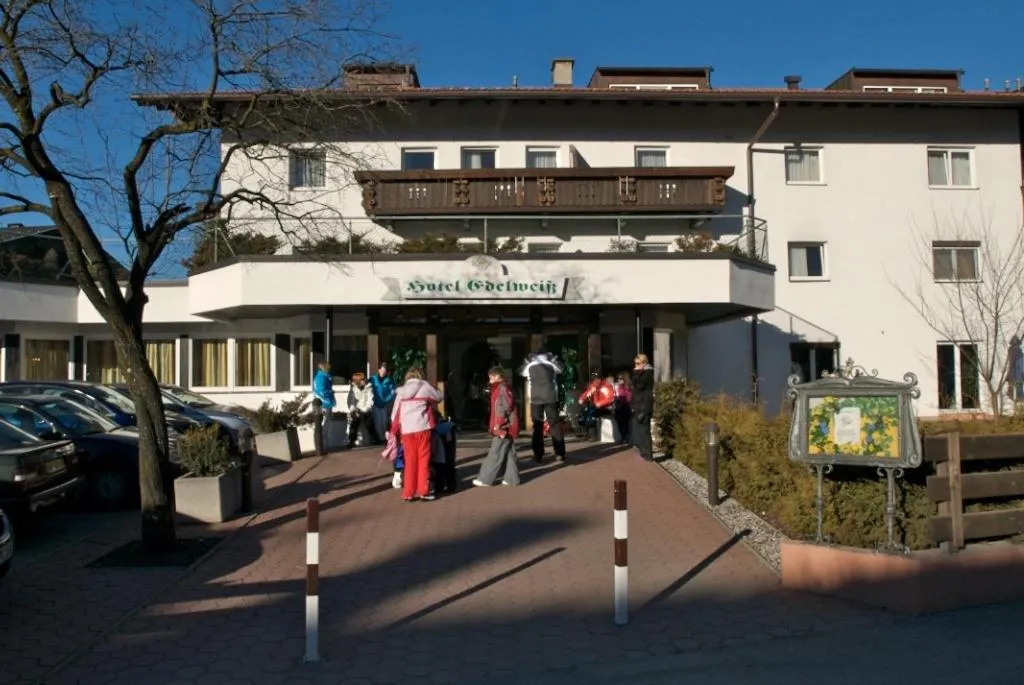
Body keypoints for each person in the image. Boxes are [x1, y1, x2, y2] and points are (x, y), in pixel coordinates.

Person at [390, 367, 443, 502]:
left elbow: (395, 414)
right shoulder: (425, 386)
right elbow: (439, 396)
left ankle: (408, 492)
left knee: (410, 461)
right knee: (423, 460)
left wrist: (394, 432)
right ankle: (423, 491)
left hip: (407, 430)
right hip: (422, 427)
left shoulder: (401, 391)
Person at [474, 367, 521, 487]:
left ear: (497, 376)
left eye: (491, 377)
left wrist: (498, 424)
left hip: (504, 426)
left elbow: (503, 407)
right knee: (510, 453)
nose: (489, 380)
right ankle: (511, 478)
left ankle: (485, 479)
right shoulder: (503, 388)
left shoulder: (501, 389)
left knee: (496, 452)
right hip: (508, 425)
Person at [519, 348, 566, 463]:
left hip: (535, 398)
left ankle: (538, 454)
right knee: (555, 425)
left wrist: (527, 360)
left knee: (537, 426)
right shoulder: (551, 364)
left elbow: (521, 372)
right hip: (551, 397)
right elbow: (561, 369)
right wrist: (554, 359)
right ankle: (559, 453)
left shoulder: (530, 366)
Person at [631, 354, 655, 462]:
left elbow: (639, 386)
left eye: (638, 363)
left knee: (645, 430)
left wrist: (636, 373)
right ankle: (644, 452)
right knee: (640, 430)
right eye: (635, 363)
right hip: (638, 405)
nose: (636, 366)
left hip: (644, 405)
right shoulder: (641, 373)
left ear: (644, 363)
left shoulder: (648, 373)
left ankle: (648, 454)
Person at [578, 372, 615, 441]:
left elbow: (611, 398)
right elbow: (586, 393)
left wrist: (600, 403)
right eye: (594, 379)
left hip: (606, 407)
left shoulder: (605, 386)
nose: (595, 380)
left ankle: (593, 436)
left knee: (591, 413)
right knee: (585, 412)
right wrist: (582, 399)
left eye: (597, 379)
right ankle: (588, 433)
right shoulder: (593, 386)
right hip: (596, 406)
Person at [311, 362, 336, 457]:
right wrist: (331, 392)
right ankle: (322, 446)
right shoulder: (321, 377)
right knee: (324, 425)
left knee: (323, 425)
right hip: (324, 404)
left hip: (324, 403)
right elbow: (322, 391)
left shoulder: (322, 377)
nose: (330, 369)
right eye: (328, 367)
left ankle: (322, 446)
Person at [370, 362, 396, 445]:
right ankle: (380, 439)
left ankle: (384, 438)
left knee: (384, 421)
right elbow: (367, 389)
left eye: (385, 371)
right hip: (375, 404)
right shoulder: (373, 379)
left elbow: (393, 392)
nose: (383, 372)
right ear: (379, 370)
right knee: (377, 422)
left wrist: (387, 399)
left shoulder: (389, 380)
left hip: (384, 404)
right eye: (382, 370)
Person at [345, 372, 374, 448]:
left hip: (366, 410)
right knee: (354, 421)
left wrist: (364, 410)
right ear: (357, 381)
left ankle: (373, 438)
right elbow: (350, 402)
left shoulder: (368, 387)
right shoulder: (353, 389)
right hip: (356, 410)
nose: (364, 380)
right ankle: (351, 440)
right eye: (362, 379)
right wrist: (354, 410)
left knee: (369, 422)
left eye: (364, 379)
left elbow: (370, 401)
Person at [614, 372, 632, 445]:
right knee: (619, 423)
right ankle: (623, 437)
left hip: (625, 407)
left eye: (621, 378)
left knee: (625, 423)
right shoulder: (618, 387)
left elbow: (629, 398)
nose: (619, 380)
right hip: (619, 406)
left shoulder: (627, 387)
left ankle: (625, 438)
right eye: (618, 378)